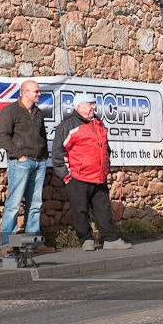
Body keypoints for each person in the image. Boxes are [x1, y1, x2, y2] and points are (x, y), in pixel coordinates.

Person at [52, 94, 132, 250]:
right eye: (89, 104)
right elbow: (58, 152)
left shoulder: (98, 123)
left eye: (93, 104)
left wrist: (106, 165)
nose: (93, 107)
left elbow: (105, 147)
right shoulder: (68, 125)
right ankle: (86, 240)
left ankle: (110, 239)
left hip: (99, 176)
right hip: (78, 177)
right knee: (80, 210)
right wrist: (66, 176)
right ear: (79, 107)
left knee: (103, 209)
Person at [0, 80, 53, 255]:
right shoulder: (10, 110)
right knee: (13, 204)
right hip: (20, 163)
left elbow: (42, 136)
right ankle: (6, 245)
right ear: (25, 92)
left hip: (39, 162)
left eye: (38, 91)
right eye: (36, 91)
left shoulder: (38, 112)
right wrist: (19, 155)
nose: (39, 94)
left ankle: (33, 243)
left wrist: (44, 155)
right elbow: (2, 136)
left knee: (35, 204)